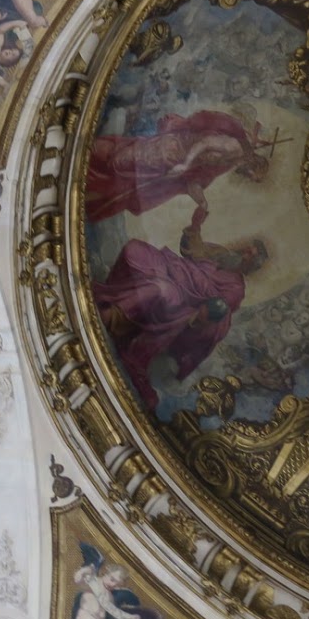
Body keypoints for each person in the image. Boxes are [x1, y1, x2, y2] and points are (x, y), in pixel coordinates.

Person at [91, 208, 268, 411]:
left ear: (250, 266)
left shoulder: (236, 288)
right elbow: (190, 251)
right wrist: (195, 225)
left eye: (249, 256)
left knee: (160, 290)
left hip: (185, 300)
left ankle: (113, 317)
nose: (244, 253)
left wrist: (200, 309)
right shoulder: (219, 254)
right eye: (246, 249)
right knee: (135, 249)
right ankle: (112, 298)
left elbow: (218, 310)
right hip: (171, 268)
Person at [85, 110, 271, 221]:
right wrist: (186, 163)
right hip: (171, 149)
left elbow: (196, 179)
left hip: (169, 164)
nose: (246, 176)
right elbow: (204, 142)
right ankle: (85, 154)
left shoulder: (230, 162)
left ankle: (85, 179)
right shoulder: (236, 147)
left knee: (125, 183)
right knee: (119, 161)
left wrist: (202, 202)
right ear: (252, 164)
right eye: (251, 175)